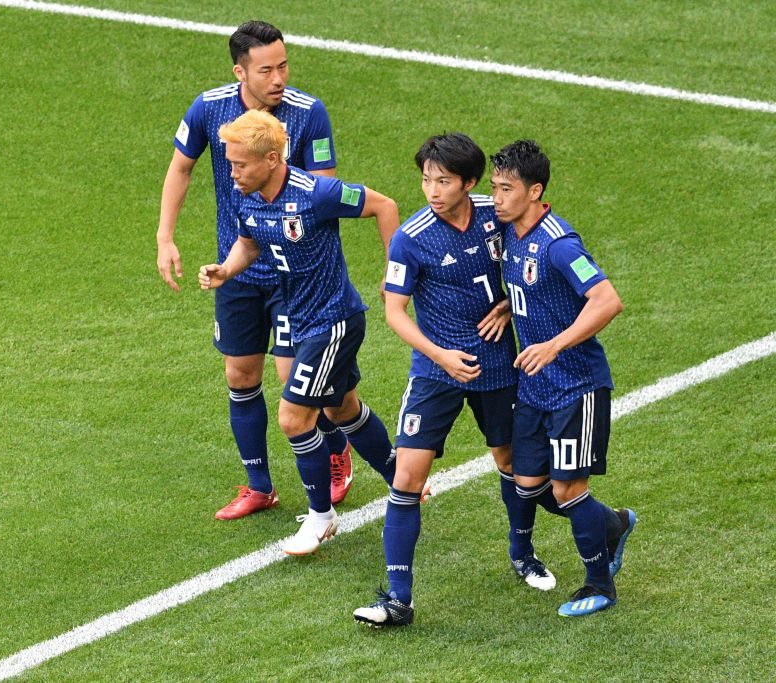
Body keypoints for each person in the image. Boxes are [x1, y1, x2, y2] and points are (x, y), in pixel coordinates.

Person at [353, 133, 566, 629]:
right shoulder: (411, 237)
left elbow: (533, 263)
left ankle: (523, 554)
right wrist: (440, 356)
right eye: (426, 180)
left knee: (510, 462)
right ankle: (398, 599)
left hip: (499, 369)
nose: (432, 190)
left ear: (469, 183)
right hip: (436, 372)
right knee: (407, 478)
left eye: (443, 181)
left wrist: (510, 304)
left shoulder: (500, 213)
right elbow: (394, 312)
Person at [157, 21, 353, 521]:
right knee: (240, 374)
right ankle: (259, 486)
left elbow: (324, 193)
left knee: (297, 381)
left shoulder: (308, 113)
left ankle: (337, 452)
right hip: (237, 269)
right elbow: (181, 167)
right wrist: (165, 237)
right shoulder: (209, 108)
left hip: (295, 276)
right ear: (239, 71)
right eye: (266, 69)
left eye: (283, 65)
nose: (279, 77)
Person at [198, 109, 400, 555]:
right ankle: (402, 478)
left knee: (294, 417)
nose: (232, 173)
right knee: (343, 408)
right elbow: (249, 242)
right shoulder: (247, 197)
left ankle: (321, 517)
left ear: (272, 159)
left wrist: (393, 273)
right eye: (230, 163)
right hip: (303, 319)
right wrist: (226, 270)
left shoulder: (317, 193)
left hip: (334, 321)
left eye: (240, 164)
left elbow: (384, 206)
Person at [491, 139, 637, 617]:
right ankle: (611, 524)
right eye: (494, 187)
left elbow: (607, 301)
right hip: (536, 387)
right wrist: (511, 305)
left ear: (535, 191)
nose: (497, 198)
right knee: (528, 483)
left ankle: (599, 584)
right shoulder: (510, 230)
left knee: (567, 490)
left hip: (577, 387)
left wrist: (553, 345)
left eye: (506, 189)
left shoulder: (559, 244)